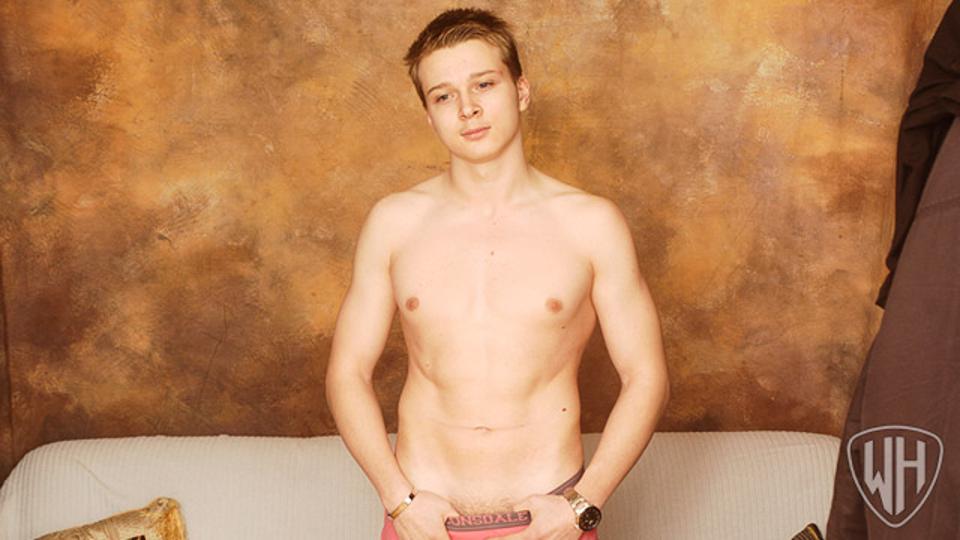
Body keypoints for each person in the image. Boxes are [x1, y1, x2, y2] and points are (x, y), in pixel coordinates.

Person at [325, 8, 669, 540]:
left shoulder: (591, 224)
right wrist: (398, 500)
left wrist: (583, 504)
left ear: (520, 91)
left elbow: (646, 376)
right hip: (423, 522)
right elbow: (347, 372)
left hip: (550, 521)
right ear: (429, 115)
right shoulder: (394, 223)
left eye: (484, 84)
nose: (468, 108)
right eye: (443, 96)